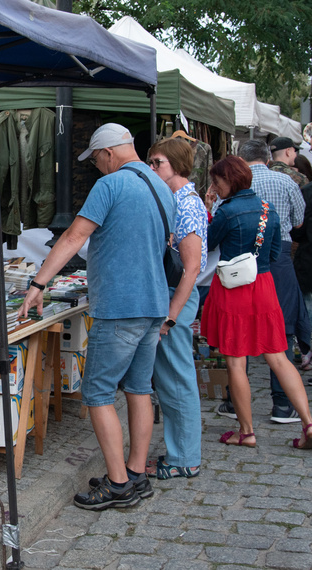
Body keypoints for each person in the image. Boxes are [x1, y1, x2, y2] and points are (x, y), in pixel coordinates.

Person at [17, 123, 175, 510]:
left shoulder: (111, 185)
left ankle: (118, 483)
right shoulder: (161, 186)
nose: (97, 167)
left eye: (97, 160)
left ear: (107, 152)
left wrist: (38, 284)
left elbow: (73, 237)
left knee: (98, 393)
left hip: (121, 306)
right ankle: (135, 474)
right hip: (154, 303)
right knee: (138, 389)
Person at [201, 156, 312, 449]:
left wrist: (210, 210)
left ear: (230, 180)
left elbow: (207, 244)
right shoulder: (268, 210)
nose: (215, 186)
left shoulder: (227, 212)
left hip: (232, 288)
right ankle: (309, 423)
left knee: (236, 362)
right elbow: (276, 254)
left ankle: (246, 431)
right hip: (263, 286)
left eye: (217, 181)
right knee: (279, 357)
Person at [233, 139, 309, 423]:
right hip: (278, 260)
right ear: (267, 158)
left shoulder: (238, 184)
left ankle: (236, 404)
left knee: (240, 328)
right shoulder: (286, 181)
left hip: (240, 262)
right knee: (282, 328)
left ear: (240, 159)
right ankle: (281, 405)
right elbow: (299, 221)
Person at [145, 138, 208, 479]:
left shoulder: (187, 204)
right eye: (151, 162)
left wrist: (170, 316)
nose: (152, 169)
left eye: (158, 163)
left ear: (177, 166)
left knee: (177, 379)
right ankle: (181, 452)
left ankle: (184, 457)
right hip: (170, 296)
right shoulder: (175, 200)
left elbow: (192, 267)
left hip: (176, 297)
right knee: (170, 379)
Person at [290, 154, 312, 371]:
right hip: (306, 257)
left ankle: (307, 350)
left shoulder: (307, 191)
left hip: (307, 256)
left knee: (307, 306)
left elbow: (299, 228)